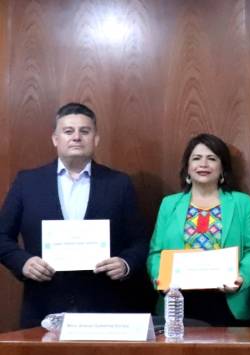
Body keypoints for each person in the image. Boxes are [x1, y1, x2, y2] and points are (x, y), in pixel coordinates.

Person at [0, 102, 148, 328]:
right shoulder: (27, 182)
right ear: (55, 139)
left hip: (104, 309)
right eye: (68, 131)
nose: (76, 137)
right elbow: (2, 237)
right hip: (43, 306)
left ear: (95, 139)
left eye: (84, 131)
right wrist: (24, 262)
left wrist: (125, 264)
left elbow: (140, 241)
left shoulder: (119, 184)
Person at [147, 134, 250, 325]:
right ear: (187, 167)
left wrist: (241, 278)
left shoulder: (242, 203)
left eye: (211, 158)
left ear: (222, 168)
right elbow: (155, 253)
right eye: (196, 158)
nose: (203, 164)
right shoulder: (169, 204)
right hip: (178, 301)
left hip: (227, 301)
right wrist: (161, 279)